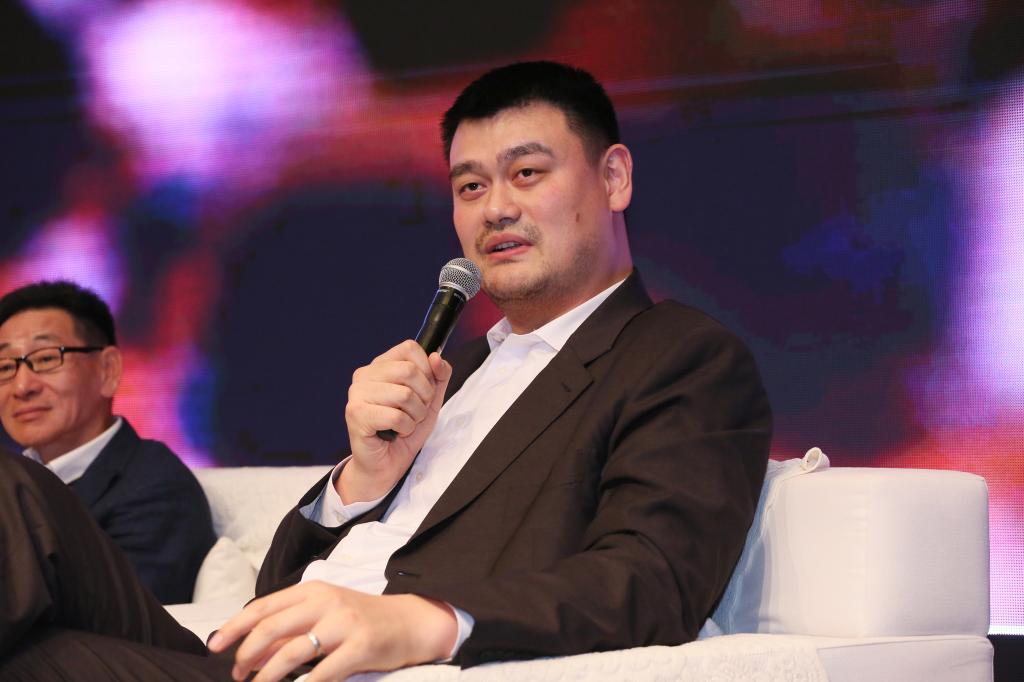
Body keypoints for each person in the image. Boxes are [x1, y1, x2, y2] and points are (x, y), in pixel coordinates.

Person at [0, 61, 771, 681]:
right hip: (250, 656)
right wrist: (360, 482)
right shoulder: (454, 370)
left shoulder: (677, 355)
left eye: (528, 173)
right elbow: (278, 586)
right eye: (470, 186)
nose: (494, 209)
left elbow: (655, 576)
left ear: (613, 178)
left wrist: (422, 621)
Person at [0, 280, 215, 604]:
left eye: (45, 359)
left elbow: (118, 619)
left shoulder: (155, 487)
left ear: (108, 370)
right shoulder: (11, 482)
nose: (22, 386)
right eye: (5, 366)